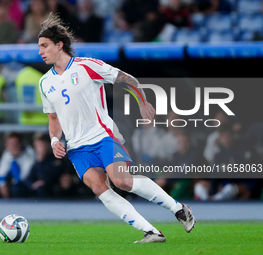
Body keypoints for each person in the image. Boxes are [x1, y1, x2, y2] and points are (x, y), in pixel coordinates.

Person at [37, 13, 196, 243]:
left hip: (102, 136)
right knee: (99, 188)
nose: (40, 51)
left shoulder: (86, 66)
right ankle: (151, 232)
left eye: (44, 46)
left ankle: (179, 209)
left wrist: (142, 101)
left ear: (59, 45)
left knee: (122, 180)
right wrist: (54, 141)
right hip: (77, 147)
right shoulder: (45, 83)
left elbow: (126, 79)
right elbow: (53, 119)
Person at [0, 132, 35, 198]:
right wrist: (2, 185)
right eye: (10, 144)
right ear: (6, 145)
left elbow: (21, 178)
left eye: (16, 144)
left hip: (26, 184)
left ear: (21, 144)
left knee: (16, 189)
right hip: (14, 182)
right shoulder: (7, 153)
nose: (13, 146)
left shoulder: (29, 154)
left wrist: (13, 159)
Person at [23, 132, 64, 197]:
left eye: (42, 146)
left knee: (41, 189)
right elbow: (29, 178)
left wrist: (41, 159)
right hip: (37, 189)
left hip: (52, 191)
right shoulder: (34, 160)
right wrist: (33, 184)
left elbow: (50, 176)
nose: (40, 149)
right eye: (38, 146)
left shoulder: (56, 159)